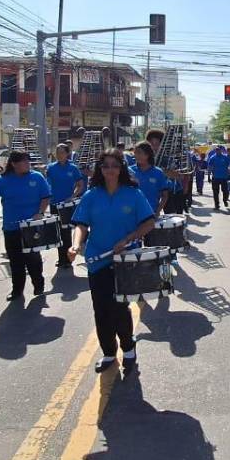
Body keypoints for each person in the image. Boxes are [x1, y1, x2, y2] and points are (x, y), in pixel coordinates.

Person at [68, 149, 157, 373]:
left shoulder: (133, 194)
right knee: (101, 309)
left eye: (114, 165)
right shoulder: (91, 195)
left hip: (124, 259)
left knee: (119, 307)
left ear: (121, 168)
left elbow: (148, 223)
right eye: (106, 165)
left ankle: (128, 347)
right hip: (97, 259)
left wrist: (128, 239)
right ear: (100, 169)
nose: (110, 170)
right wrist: (76, 245)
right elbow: (81, 224)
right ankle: (108, 352)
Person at [0, 151, 52, 301]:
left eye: (28, 161)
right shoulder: (2, 180)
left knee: (33, 259)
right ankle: (17, 290)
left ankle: (38, 285)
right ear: (14, 164)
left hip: (31, 227)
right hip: (11, 227)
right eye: (23, 161)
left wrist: (40, 212)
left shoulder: (37, 177)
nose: (27, 163)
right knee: (15, 261)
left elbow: (46, 196)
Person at [46, 143, 85, 267]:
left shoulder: (73, 168)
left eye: (62, 152)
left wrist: (72, 197)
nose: (59, 155)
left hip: (67, 205)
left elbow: (80, 185)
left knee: (66, 231)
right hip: (54, 204)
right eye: (57, 152)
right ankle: (61, 258)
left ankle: (68, 259)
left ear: (67, 153)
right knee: (57, 232)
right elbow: (46, 185)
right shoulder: (51, 167)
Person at [131, 142, 169, 215]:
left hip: (151, 213)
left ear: (147, 155)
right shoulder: (129, 171)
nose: (136, 155)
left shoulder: (158, 172)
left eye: (139, 153)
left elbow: (165, 195)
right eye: (135, 153)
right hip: (132, 214)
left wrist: (157, 211)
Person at [207, 145, 230, 209]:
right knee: (215, 192)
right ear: (215, 150)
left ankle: (225, 200)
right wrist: (209, 176)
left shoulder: (225, 157)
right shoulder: (212, 158)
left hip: (224, 177)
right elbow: (210, 167)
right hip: (215, 178)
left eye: (219, 150)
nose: (218, 151)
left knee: (225, 191)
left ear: (221, 150)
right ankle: (216, 204)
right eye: (217, 150)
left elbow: (229, 166)